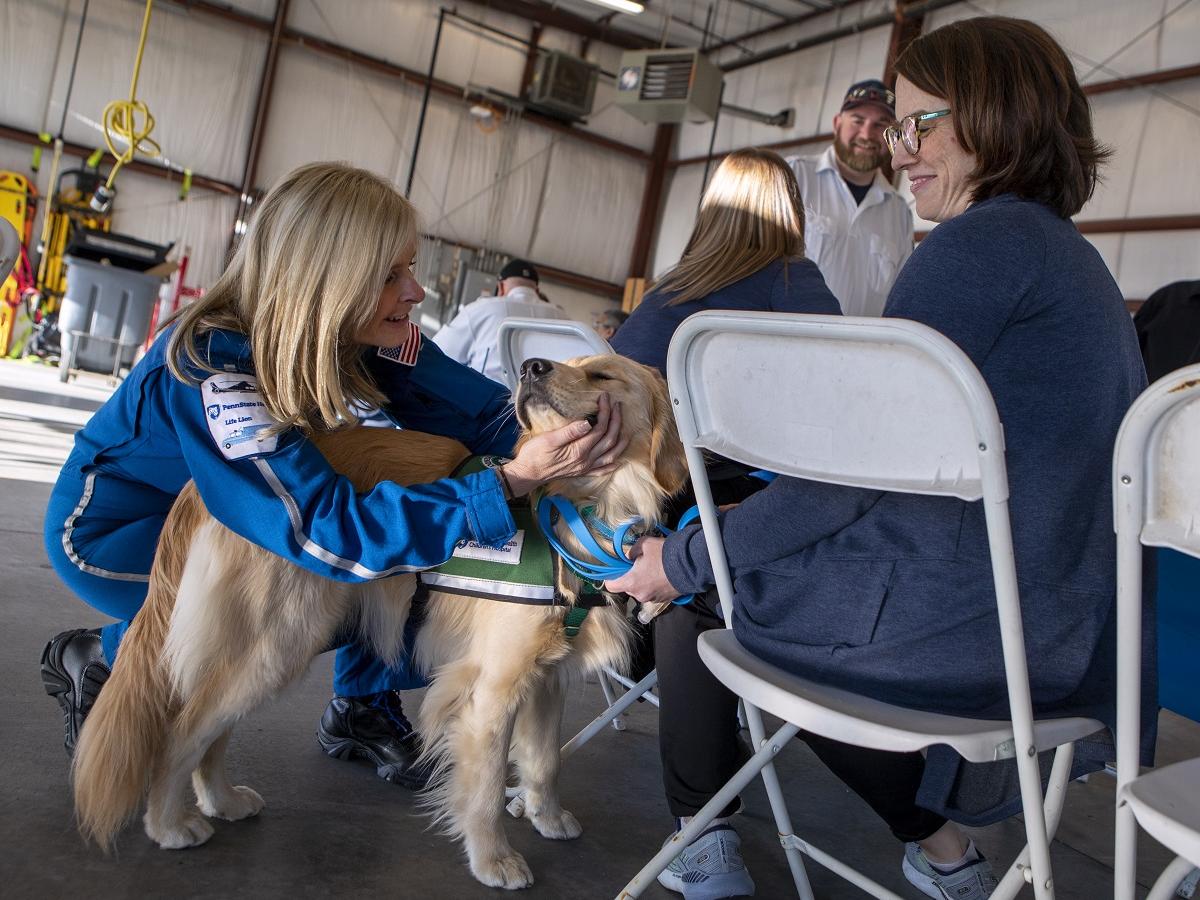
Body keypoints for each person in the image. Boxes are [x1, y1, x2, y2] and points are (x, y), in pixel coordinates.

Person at [609, 17, 1153, 900]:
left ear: (992, 114)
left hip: (973, 637)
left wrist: (677, 559)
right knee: (742, 556)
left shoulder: (977, 249)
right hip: (1051, 632)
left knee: (700, 594)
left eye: (919, 124)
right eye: (897, 129)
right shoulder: (1069, 260)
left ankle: (699, 837)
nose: (901, 151)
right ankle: (939, 852)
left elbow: (842, 483)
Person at [40, 163, 625, 793]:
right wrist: (505, 484)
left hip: (227, 522)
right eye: (391, 275)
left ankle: (357, 705)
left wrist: (575, 438)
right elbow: (327, 531)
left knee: (396, 569)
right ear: (327, 280)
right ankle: (108, 654)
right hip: (120, 533)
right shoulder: (218, 370)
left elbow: (478, 412)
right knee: (334, 588)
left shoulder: (368, 327)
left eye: (411, 266)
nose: (416, 292)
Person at [609, 147, 840, 899]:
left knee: (690, 591)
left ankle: (701, 828)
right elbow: (835, 430)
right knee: (717, 583)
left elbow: (613, 411)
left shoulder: (668, 297)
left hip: (652, 520)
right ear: (792, 214)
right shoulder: (805, 288)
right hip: (777, 520)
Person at [785, 78, 913, 317]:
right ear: (837, 123)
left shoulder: (899, 213)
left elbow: (899, 297)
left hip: (858, 351)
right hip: (787, 343)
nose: (866, 134)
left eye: (880, 125)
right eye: (858, 121)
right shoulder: (792, 175)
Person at [432, 258, 569, 384]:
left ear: (501, 287)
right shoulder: (563, 317)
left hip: (487, 404)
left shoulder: (482, 308)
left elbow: (438, 352)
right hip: (543, 408)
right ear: (537, 290)